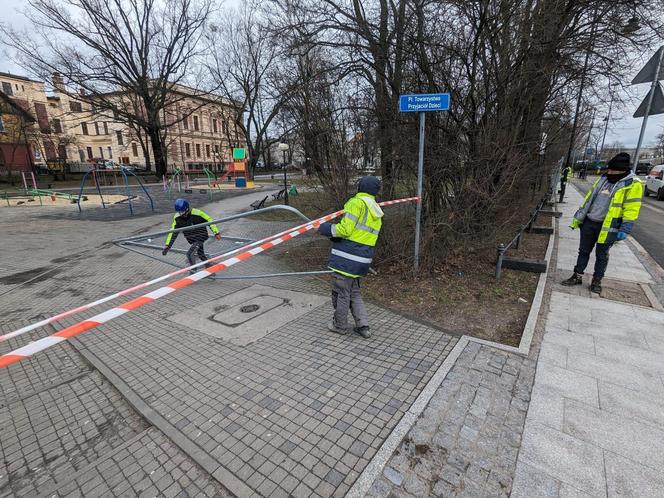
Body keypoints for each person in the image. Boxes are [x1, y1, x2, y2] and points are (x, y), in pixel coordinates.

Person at [561, 152, 643, 294]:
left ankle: (596, 281)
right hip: (590, 221)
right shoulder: (603, 178)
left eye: (612, 170)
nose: (609, 172)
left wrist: (626, 226)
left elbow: (632, 207)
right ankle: (577, 276)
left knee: (602, 255)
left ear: (621, 170)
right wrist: (580, 217)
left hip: (608, 226)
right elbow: (590, 198)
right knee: (583, 251)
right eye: (609, 169)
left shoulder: (633, 184)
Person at [318, 177, 383, 338]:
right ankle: (363, 326)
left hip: (346, 259)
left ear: (360, 187)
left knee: (341, 292)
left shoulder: (356, 203)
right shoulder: (376, 210)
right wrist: (337, 236)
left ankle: (339, 325)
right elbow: (358, 234)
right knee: (354, 292)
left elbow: (345, 230)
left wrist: (327, 229)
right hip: (362, 260)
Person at [162, 198, 221, 271]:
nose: (181, 214)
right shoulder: (177, 217)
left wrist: (216, 232)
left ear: (187, 209)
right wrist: (168, 245)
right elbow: (173, 231)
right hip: (192, 238)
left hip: (201, 236)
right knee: (200, 254)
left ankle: (193, 271)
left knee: (190, 254)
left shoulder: (197, 213)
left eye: (182, 212)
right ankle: (210, 268)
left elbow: (209, 220)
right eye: (179, 212)